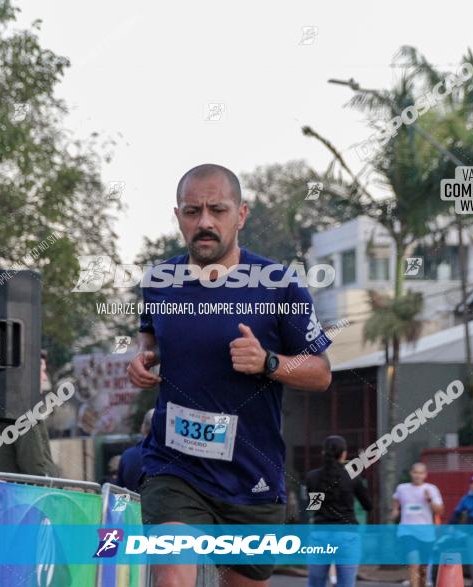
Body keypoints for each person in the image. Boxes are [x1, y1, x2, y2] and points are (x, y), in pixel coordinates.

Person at [127, 163, 332, 586]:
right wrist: (141, 358)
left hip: (251, 476)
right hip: (174, 466)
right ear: (179, 216)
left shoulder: (279, 286)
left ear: (241, 215)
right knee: (172, 573)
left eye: (217, 210)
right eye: (192, 211)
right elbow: (148, 335)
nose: (204, 222)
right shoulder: (160, 280)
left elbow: (321, 373)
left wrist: (269, 363)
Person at [304, 435, 372, 587]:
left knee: (315, 583)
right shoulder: (352, 477)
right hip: (347, 536)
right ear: (344, 454)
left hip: (320, 536)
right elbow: (368, 505)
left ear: (323, 453)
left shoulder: (312, 477)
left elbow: (313, 507)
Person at [0, 350, 60, 477]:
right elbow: (35, 468)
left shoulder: (9, 407)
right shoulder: (24, 411)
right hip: (28, 494)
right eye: (42, 370)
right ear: (28, 374)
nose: (44, 377)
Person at [392, 462, 443, 587]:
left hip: (426, 533)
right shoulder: (402, 488)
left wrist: (429, 499)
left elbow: (440, 510)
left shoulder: (431, 489)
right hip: (407, 531)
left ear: (425, 475)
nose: (417, 476)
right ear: (411, 473)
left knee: (423, 568)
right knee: (413, 561)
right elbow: (396, 499)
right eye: (415, 472)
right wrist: (395, 510)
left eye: (420, 473)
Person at [116, 408, 154, 492]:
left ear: (143, 428)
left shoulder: (127, 456)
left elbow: (118, 491)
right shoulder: (171, 457)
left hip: (133, 504)